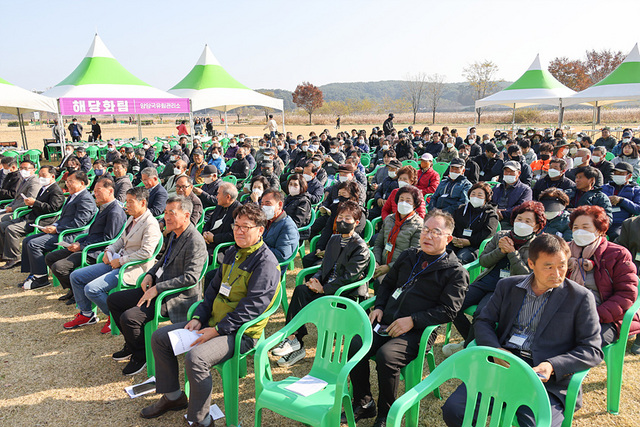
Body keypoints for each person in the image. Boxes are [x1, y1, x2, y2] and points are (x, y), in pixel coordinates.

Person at [442, 233, 604, 427]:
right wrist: (496, 350)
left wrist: (552, 365)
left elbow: (592, 349)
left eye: (562, 265)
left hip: (543, 378)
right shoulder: (508, 286)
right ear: (531, 264)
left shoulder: (580, 298)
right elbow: (483, 321)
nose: (557, 273)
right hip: (502, 367)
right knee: (455, 410)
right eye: (548, 266)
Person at [141, 203, 280, 426]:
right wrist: (198, 318)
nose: (239, 231)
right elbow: (212, 291)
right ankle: (174, 397)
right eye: (236, 225)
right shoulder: (233, 252)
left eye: (246, 226)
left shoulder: (266, 263)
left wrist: (216, 330)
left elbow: (252, 308)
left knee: (196, 358)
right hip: (213, 322)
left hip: (240, 333)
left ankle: (201, 420)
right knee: (160, 338)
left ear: (260, 230)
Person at [346, 210, 469, 426]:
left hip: (419, 331)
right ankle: (364, 403)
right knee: (356, 344)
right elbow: (387, 284)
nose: (427, 236)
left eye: (435, 232)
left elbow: (449, 310)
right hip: (388, 320)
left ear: (448, 239)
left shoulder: (455, 271)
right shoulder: (410, 255)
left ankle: (387, 414)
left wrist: (413, 320)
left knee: (387, 356)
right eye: (425, 230)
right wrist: (380, 306)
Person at [106, 196, 207, 375]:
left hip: (175, 296)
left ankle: (141, 355)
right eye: (166, 212)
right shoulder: (175, 234)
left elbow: (191, 278)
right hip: (157, 288)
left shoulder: (195, 240)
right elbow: (162, 262)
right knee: (114, 300)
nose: (166, 217)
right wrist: (150, 274)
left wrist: (158, 288)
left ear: (186, 215)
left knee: (130, 317)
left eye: (172, 213)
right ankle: (133, 345)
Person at [273, 201, 371, 367]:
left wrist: (324, 288)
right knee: (301, 291)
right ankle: (294, 339)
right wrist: (316, 280)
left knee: (312, 293)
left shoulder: (360, 247)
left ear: (356, 222)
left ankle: (295, 343)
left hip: (345, 292)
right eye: (340, 217)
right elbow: (325, 266)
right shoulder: (334, 239)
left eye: (348, 218)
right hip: (326, 287)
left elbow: (349, 277)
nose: (342, 221)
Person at [444, 201, 546, 355]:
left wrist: (512, 253)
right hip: (485, 282)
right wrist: (500, 250)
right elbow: (483, 260)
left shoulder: (537, 246)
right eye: (519, 219)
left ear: (537, 226)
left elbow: (526, 276)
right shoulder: (501, 235)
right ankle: (470, 341)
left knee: (481, 314)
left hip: (505, 288)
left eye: (528, 221)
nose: (522, 223)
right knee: (452, 304)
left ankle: (467, 349)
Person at [566, 205, 639, 347]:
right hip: (567, 313)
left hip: (605, 317)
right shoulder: (564, 251)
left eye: (585, 227)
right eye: (575, 227)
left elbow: (626, 295)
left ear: (599, 230)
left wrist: (594, 315)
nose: (579, 232)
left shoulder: (618, 254)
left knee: (581, 343)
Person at [20, 171, 97, 290]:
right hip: (61, 229)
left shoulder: (85, 199)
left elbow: (79, 223)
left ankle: (41, 278)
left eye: (71, 182)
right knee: (27, 240)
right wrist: (54, 225)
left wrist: (57, 229)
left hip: (71, 234)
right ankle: (34, 273)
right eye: (67, 182)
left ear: (82, 183)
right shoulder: (73, 195)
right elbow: (64, 217)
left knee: (34, 244)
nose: (67, 184)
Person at [0, 166, 64, 270]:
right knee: (2, 225)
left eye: (43, 175)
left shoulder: (56, 190)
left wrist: (35, 203)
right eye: (39, 175)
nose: (40, 177)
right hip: (30, 215)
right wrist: (30, 204)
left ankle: (14, 258)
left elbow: (53, 208)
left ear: (52, 176)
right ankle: (3, 254)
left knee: (11, 229)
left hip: (42, 220)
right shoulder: (43, 188)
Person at [372, 185, 423, 283]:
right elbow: (378, 244)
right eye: (401, 199)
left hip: (401, 268)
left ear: (415, 204)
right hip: (382, 262)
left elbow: (412, 256)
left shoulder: (419, 225)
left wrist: (388, 267)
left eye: (408, 200)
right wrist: (376, 263)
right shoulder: (389, 219)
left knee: (381, 282)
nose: (404, 203)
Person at [450, 182, 500, 264]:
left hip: (475, 246)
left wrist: (469, 241)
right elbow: (451, 225)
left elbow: (487, 233)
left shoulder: (490, 214)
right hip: (455, 242)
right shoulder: (461, 209)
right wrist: (453, 238)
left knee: (458, 261)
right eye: (473, 194)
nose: (475, 197)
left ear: (486, 198)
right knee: (440, 254)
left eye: (480, 195)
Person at [602, 162, 640, 239]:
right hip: (602, 220)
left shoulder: (636, 190)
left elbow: (638, 209)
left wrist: (622, 200)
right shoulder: (604, 188)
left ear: (629, 176)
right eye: (615, 173)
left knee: (617, 236)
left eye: (620, 173)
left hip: (620, 223)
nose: (617, 175)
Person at [260, 189, 299, 263]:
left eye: (268, 204)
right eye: (262, 204)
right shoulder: (266, 220)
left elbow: (281, 255)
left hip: (271, 266)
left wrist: (257, 246)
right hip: (258, 259)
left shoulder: (288, 227)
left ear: (280, 205)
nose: (264, 207)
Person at [202, 182, 241, 253]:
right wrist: (205, 232)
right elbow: (209, 222)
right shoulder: (220, 205)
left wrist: (214, 238)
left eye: (218, 194)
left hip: (221, 248)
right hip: (208, 242)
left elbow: (234, 234)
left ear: (228, 197)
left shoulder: (239, 211)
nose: (216, 197)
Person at [492, 160, 533, 229]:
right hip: (493, 218)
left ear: (519, 173)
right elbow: (489, 202)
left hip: (511, 222)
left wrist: (502, 213)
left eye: (511, 171)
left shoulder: (525, 189)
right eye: (506, 171)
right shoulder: (497, 188)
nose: (508, 173)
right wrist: (494, 212)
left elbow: (522, 207)